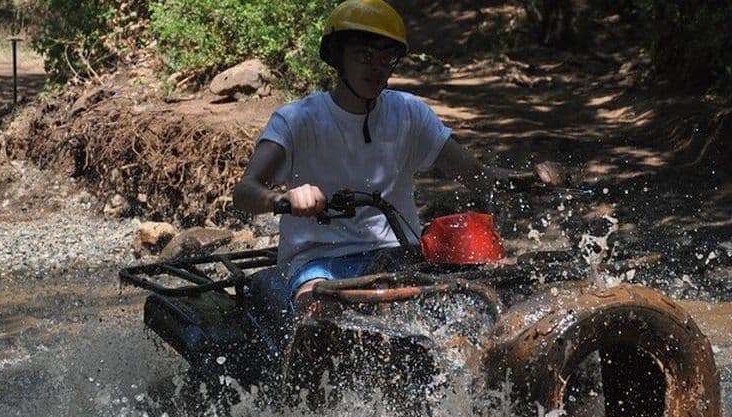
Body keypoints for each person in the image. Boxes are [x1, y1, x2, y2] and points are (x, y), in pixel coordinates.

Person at [233, 0, 563, 314]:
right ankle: (300, 376)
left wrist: (533, 179)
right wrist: (285, 198)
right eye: (364, 55)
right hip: (318, 261)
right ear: (337, 56)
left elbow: (477, 176)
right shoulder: (296, 120)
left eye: (385, 58)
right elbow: (245, 192)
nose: (377, 68)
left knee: (478, 301)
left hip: (399, 255)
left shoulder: (408, 112)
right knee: (319, 311)